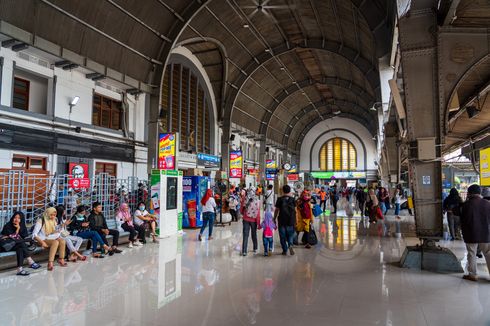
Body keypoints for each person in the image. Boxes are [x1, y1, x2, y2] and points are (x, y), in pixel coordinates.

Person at [460, 184, 490, 282]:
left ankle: (473, 275)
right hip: (486, 234)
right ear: (479, 193)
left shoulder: (466, 205)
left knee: (472, 253)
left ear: (469, 193)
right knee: (488, 254)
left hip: (471, 234)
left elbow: (461, 217)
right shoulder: (487, 203)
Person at [274, 185, 296, 256]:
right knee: (290, 235)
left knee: (282, 236)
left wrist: (274, 218)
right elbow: (295, 211)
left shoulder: (279, 199)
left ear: (283, 191)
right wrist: (296, 220)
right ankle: (290, 244)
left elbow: (276, 210)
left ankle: (285, 250)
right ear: (289, 191)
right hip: (291, 220)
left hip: (282, 220)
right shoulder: (293, 199)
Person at [242, 188, 261, 256]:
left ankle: (244, 251)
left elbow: (242, 208)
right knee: (254, 234)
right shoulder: (258, 201)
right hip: (254, 220)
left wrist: (243, 214)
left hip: (245, 219)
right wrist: (258, 223)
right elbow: (258, 213)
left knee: (245, 235)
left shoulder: (245, 199)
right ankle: (255, 248)